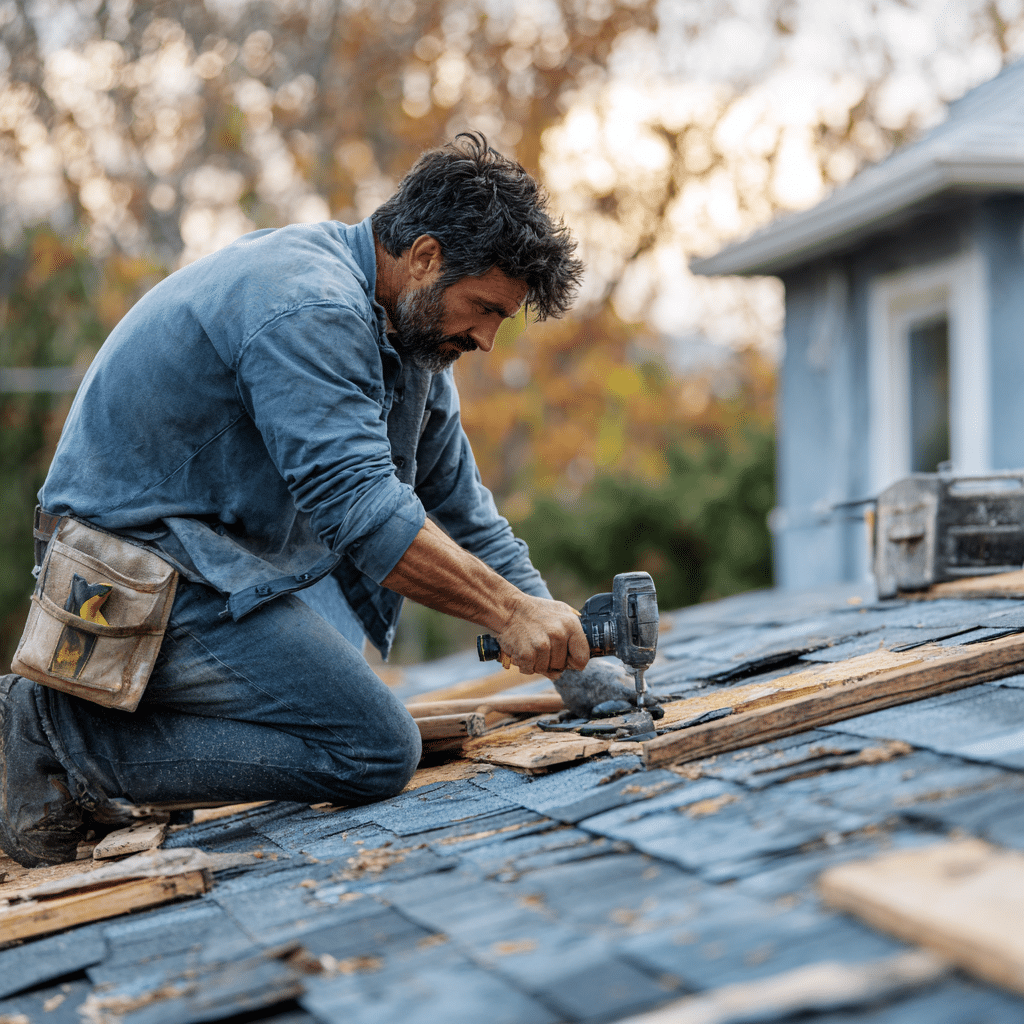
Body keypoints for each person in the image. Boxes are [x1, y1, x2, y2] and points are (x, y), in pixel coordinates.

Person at [0, 133, 591, 868]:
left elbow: (467, 513)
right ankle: (59, 732)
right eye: (482, 309)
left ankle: (125, 732)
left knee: (339, 694)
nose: (486, 339)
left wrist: (575, 663)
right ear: (427, 257)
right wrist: (508, 614)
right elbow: (364, 514)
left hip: (220, 566)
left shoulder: (414, 346)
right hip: (130, 575)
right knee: (372, 749)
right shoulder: (306, 304)